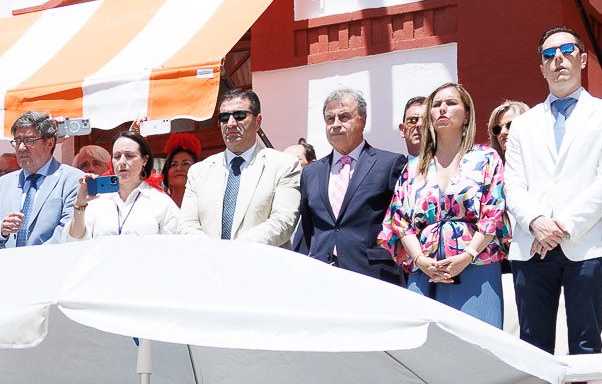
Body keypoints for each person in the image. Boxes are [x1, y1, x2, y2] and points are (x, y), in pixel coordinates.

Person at [504, 29, 602, 355]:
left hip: (586, 244)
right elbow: (513, 185)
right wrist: (536, 222)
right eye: (549, 54)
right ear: (542, 68)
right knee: (532, 348)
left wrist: (561, 226)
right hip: (532, 246)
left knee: (587, 345)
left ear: (584, 58)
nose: (558, 58)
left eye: (566, 50)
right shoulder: (522, 124)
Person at [384, 82, 507, 326]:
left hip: (476, 267)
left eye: (451, 103)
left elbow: (493, 214)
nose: (442, 109)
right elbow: (400, 220)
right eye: (437, 104)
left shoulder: (485, 159)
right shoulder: (413, 168)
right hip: (425, 272)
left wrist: (468, 255)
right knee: (426, 354)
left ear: (467, 114)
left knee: (478, 350)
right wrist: (420, 260)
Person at [290, 88, 407, 282]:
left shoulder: (389, 164)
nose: (336, 124)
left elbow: (401, 223)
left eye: (344, 117)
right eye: (330, 119)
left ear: (362, 120)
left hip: (373, 276)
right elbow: (307, 229)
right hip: (321, 277)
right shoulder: (311, 172)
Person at [176, 88, 305, 247]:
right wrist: (214, 251)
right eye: (224, 118)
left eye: (239, 116)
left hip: (261, 265)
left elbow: (284, 221)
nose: (230, 124)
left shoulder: (283, 165)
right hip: (211, 263)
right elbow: (187, 224)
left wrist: (236, 250)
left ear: (258, 122)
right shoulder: (199, 172)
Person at [0, 110, 84, 249]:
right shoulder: (0, 185)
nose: (21, 148)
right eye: (17, 141)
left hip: (52, 265)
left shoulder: (72, 180)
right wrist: (1, 229)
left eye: (29, 141)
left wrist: (31, 260)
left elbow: (68, 231)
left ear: (50, 143)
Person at [69, 129, 181, 238]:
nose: (122, 162)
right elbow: (75, 239)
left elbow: (175, 245)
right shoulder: (97, 199)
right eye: (117, 156)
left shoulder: (160, 201)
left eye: (129, 155)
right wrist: (80, 204)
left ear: (144, 160)